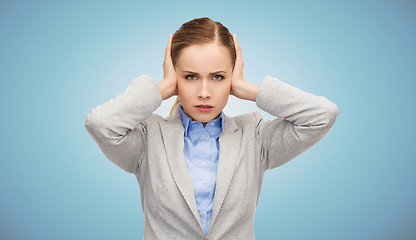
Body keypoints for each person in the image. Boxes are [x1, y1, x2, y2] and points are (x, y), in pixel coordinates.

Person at [83, 17, 339, 240]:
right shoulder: (147, 138)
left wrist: (247, 89)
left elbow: (322, 116)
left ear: (231, 76)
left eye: (218, 77)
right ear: (174, 75)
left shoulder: (255, 135)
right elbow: (101, 124)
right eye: (190, 76)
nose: (204, 93)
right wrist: (162, 88)